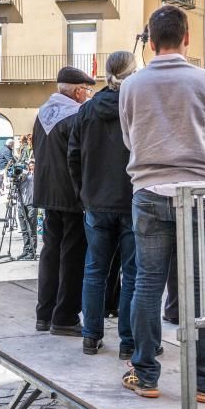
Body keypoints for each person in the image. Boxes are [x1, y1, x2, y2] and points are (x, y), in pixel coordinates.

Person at [118, 5, 205, 403]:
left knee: (147, 285)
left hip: (149, 191)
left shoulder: (131, 86)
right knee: (204, 286)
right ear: (187, 37)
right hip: (200, 192)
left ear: (150, 42)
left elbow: (128, 141)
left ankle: (145, 374)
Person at [68, 52, 138, 357]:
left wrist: (83, 192)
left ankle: (90, 336)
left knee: (94, 271)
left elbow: (73, 155)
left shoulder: (87, 110)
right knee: (132, 273)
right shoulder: (135, 106)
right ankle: (128, 341)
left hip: (96, 201)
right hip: (132, 199)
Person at [33, 65, 94, 336]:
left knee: (50, 253)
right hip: (71, 194)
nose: (87, 95)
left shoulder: (42, 114)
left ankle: (44, 313)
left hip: (47, 193)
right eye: (86, 90)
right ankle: (66, 316)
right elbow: (82, 157)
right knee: (72, 256)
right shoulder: (76, 115)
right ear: (78, 91)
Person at [15, 161, 37, 260]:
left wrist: (28, 173)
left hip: (31, 205)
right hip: (21, 204)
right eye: (30, 167)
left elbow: (32, 178)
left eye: (33, 167)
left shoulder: (32, 176)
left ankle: (32, 251)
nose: (32, 168)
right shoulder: (20, 177)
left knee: (31, 229)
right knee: (24, 229)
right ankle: (26, 249)